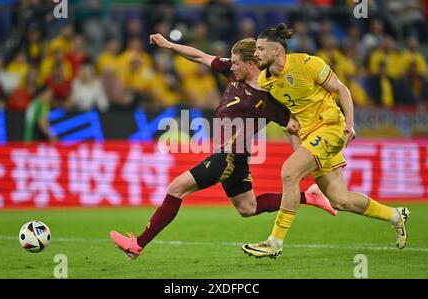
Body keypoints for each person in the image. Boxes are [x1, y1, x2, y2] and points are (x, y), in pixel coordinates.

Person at [110, 34, 337, 259]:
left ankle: (136, 245)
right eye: (231, 61)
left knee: (175, 189)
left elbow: (294, 127)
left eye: (236, 62)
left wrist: (302, 160)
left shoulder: (271, 95)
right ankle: (309, 197)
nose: (232, 66)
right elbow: (200, 57)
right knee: (247, 208)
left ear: (251, 64)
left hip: (227, 156)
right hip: (234, 156)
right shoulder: (232, 71)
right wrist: (168, 45)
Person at [242, 23, 410, 259]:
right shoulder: (267, 81)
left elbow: (342, 90)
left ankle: (274, 243)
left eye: (260, 49)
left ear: (277, 51)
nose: (256, 54)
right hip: (311, 137)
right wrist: (295, 140)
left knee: (289, 172)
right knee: (340, 200)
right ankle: (395, 216)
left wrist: (350, 124)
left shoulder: (307, 63)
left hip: (331, 128)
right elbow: (294, 114)